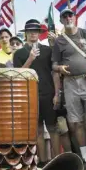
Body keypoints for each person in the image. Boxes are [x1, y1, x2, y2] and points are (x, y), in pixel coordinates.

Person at [52, 8, 86, 169]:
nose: (68, 18)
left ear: (75, 18)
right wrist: (60, 68)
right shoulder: (59, 41)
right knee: (76, 123)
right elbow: (54, 65)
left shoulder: (85, 34)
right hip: (69, 83)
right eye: (65, 16)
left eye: (70, 15)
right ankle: (85, 160)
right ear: (61, 20)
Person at [13, 19, 61, 161]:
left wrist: (57, 93)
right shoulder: (19, 53)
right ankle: (43, 162)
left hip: (48, 93)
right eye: (30, 31)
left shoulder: (47, 50)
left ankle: (58, 160)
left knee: (53, 128)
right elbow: (18, 76)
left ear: (39, 33)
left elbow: (55, 72)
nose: (33, 33)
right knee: (38, 130)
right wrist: (30, 59)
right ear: (26, 33)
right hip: (30, 96)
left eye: (36, 30)